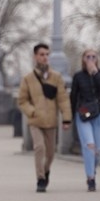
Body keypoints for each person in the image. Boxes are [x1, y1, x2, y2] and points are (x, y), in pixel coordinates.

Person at [17, 43, 71, 192]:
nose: (45, 57)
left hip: (51, 120)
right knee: (39, 147)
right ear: (35, 57)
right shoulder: (28, 78)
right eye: (42, 54)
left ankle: (46, 171)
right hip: (35, 120)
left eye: (47, 54)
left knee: (51, 153)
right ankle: (40, 179)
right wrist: (32, 111)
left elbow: (63, 99)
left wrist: (66, 118)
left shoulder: (56, 77)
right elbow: (22, 100)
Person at [70, 49, 100, 192]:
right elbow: (73, 97)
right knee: (89, 146)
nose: (91, 59)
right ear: (83, 59)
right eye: (88, 57)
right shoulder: (78, 76)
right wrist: (68, 119)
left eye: (94, 57)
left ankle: (92, 168)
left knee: (98, 151)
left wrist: (94, 72)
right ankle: (91, 178)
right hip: (84, 114)